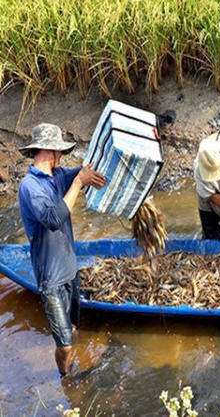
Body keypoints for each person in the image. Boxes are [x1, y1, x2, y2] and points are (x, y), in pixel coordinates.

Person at [17, 123, 106, 376]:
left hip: (70, 269)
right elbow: (53, 218)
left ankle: (72, 365)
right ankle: (65, 378)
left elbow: (82, 173)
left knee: (74, 327)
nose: (61, 158)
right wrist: (78, 183)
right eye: (59, 152)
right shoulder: (29, 187)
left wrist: (88, 174)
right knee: (65, 345)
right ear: (48, 151)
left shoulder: (58, 176)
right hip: (51, 279)